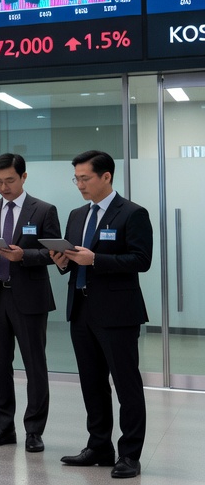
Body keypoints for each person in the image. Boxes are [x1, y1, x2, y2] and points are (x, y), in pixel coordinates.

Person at [50, 150, 152, 480]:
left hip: (118, 313)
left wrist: (95, 260)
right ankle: (99, 446)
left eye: (85, 178)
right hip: (81, 310)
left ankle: (130, 455)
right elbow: (73, 260)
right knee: (92, 384)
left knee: (126, 385)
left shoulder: (132, 214)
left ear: (106, 177)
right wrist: (62, 261)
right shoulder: (78, 214)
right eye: (76, 178)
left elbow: (140, 260)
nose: (79, 184)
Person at [0, 153, 61, 452]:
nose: (3, 187)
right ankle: (3, 427)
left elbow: (56, 252)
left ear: (23, 177)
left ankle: (34, 430)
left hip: (29, 297)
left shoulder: (44, 210)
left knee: (35, 365)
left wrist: (26, 255)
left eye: (9, 180)